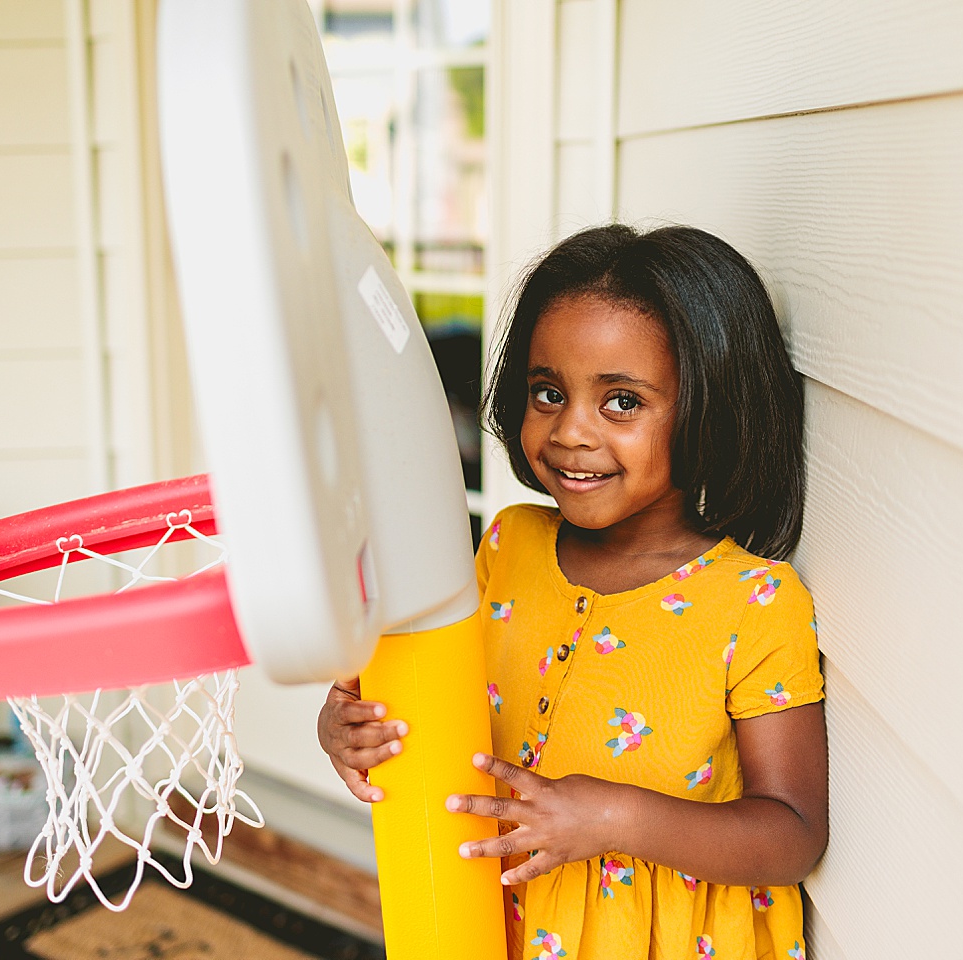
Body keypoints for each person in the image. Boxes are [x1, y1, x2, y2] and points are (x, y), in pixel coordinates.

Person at [319, 223, 827, 959]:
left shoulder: (753, 603)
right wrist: (350, 729)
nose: (570, 433)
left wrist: (617, 818)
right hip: (487, 922)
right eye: (548, 392)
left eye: (622, 402)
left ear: (713, 407)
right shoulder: (509, 544)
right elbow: (420, 704)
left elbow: (793, 834)